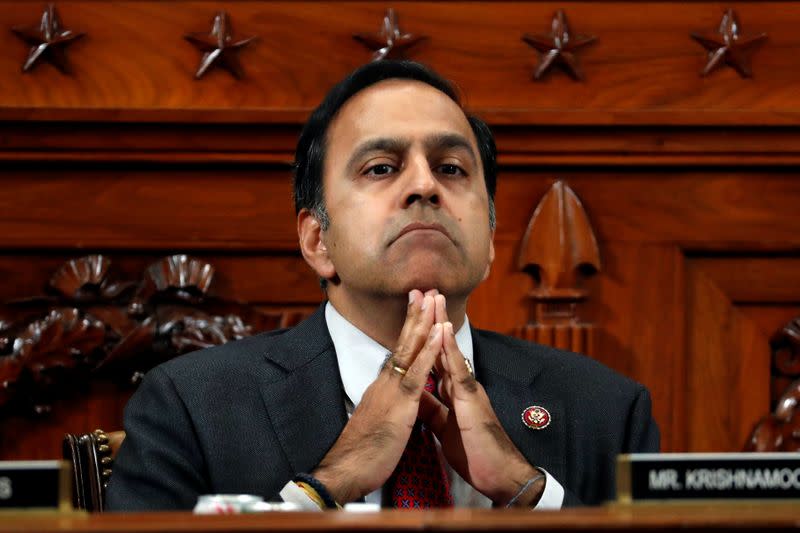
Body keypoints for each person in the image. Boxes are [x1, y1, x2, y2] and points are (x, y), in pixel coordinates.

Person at [106, 60, 659, 511]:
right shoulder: (190, 407)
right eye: (380, 167)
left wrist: (528, 493)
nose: (423, 185)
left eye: (451, 168)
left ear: (490, 241)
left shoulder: (607, 411)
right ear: (318, 240)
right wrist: (327, 487)